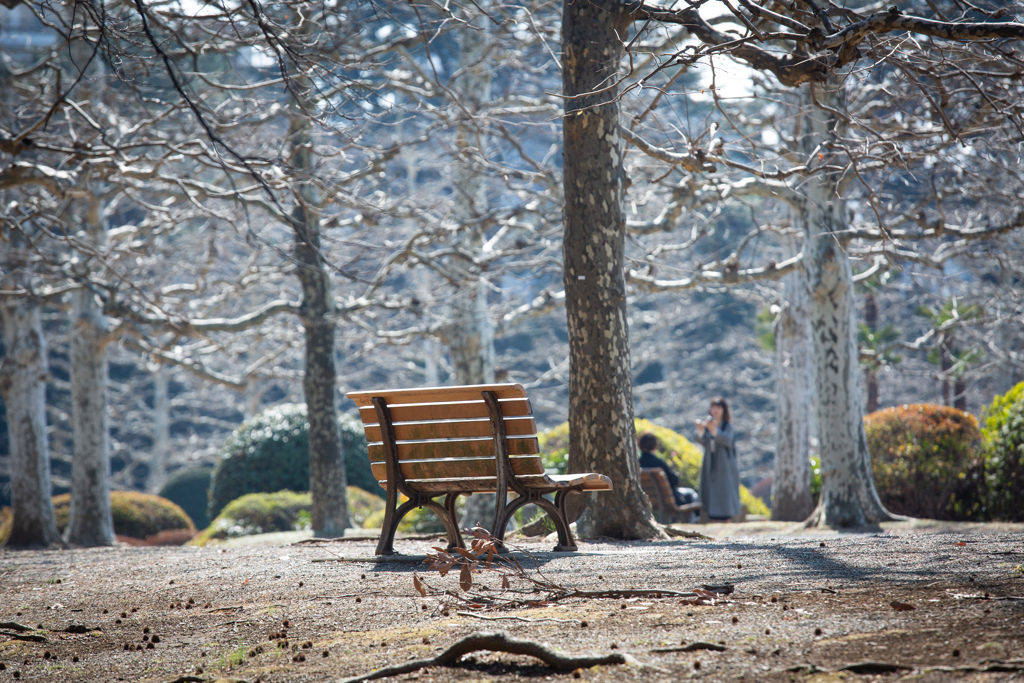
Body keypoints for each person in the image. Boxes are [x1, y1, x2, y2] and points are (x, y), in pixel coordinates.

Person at [696, 397, 741, 521]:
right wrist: (701, 430)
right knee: (711, 488)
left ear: (724, 410)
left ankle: (727, 517)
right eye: (713, 407)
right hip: (710, 462)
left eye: (718, 408)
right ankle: (712, 515)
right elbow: (703, 441)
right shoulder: (708, 424)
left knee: (725, 490)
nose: (715, 410)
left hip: (725, 464)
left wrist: (714, 430)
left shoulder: (727, 425)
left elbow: (727, 440)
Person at [637, 432, 699, 513]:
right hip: (667, 499)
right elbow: (673, 482)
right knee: (690, 493)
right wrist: (676, 475)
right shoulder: (659, 463)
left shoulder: (638, 464)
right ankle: (695, 519)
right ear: (655, 446)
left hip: (647, 500)